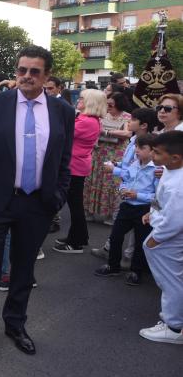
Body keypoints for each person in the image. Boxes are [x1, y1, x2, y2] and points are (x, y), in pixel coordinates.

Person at [0, 45, 75, 356]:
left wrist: (58, 196)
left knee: (24, 269)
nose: (27, 76)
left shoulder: (62, 111)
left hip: (37, 202)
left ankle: (15, 323)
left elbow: (64, 160)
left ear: (47, 75)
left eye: (34, 71)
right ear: (16, 72)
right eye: (22, 70)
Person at [94, 134, 158, 284]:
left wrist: (138, 195)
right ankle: (113, 265)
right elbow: (126, 180)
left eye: (142, 148)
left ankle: (136, 271)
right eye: (136, 147)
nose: (137, 150)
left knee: (140, 242)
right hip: (127, 206)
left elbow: (157, 196)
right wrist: (122, 190)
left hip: (144, 209)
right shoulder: (135, 163)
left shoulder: (157, 170)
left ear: (153, 151)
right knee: (115, 236)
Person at [139, 131, 183, 344]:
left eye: (157, 152)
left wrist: (157, 238)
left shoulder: (179, 185)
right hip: (163, 233)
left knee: (171, 281)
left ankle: (174, 327)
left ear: (175, 157)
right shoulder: (169, 170)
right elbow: (161, 201)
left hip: (168, 238)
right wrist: (152, 212)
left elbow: (175, 219)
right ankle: (173, 321)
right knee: (171, 279)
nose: (153, 156)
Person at [53, 89, 104, 253]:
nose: (78, 100)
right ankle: (76, 237)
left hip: (74, 166)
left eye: (82, 98)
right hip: (76, 164)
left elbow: (60, 133)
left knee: (75, 205)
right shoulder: (86, 119)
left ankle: (77, 240)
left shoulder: (87, 121)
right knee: (74, 204)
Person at [84, 91, 133, 224]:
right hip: (99, 151)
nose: (108, 107)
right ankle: (89, 210)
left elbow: (127, 133)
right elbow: (93, 130)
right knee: (94, 180)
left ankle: (110, 214)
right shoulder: (102, 116)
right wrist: (114, 133)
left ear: (119, 104)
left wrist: (106, 132)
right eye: (107, 104)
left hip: (116, 154)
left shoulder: (127, 117)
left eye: (111, 104)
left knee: (112, 182)